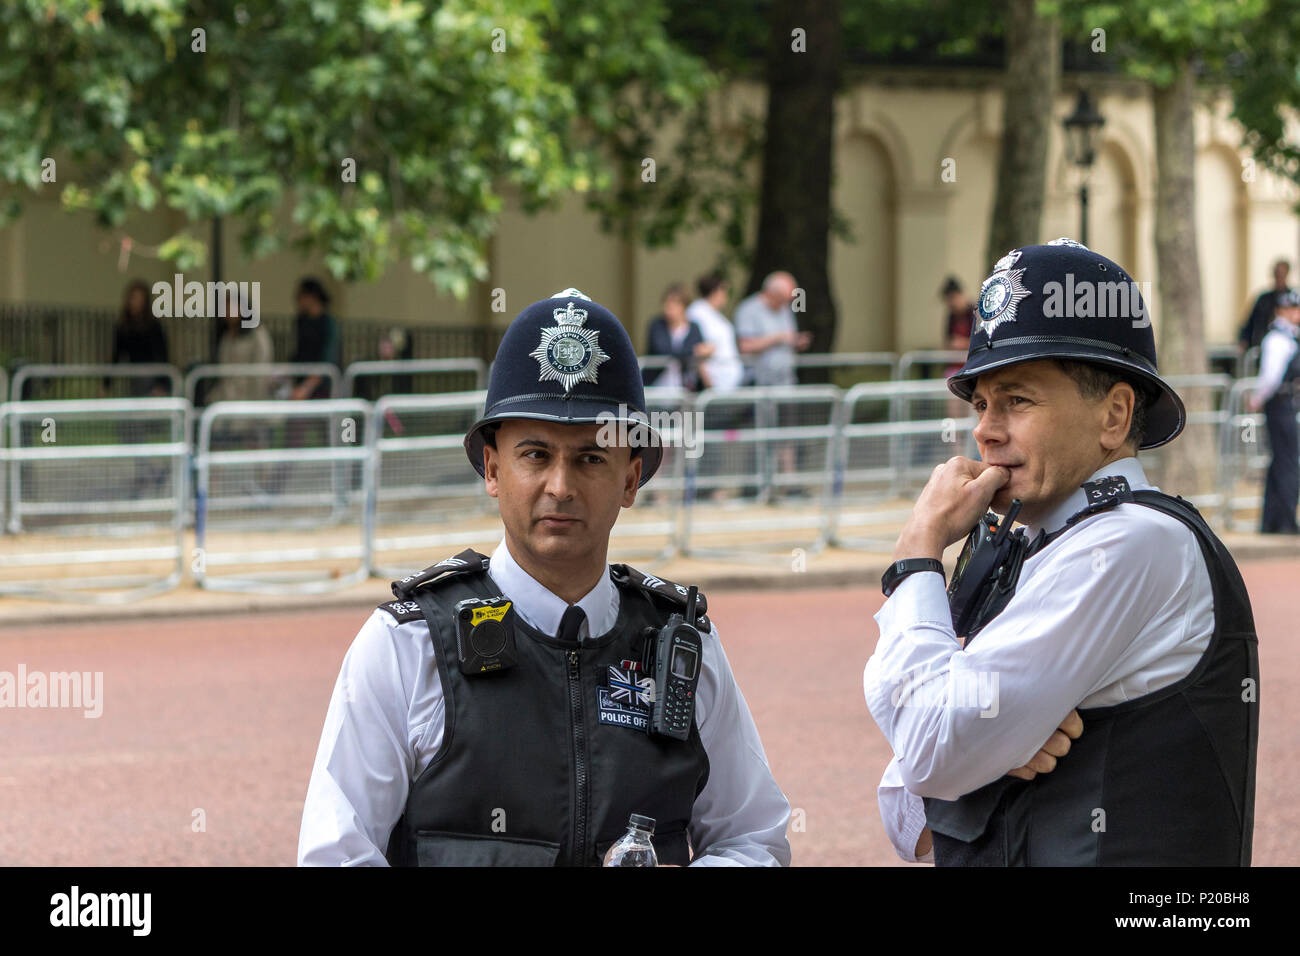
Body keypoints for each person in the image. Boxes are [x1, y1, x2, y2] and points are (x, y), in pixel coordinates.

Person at [298, 287, 792, 866]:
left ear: (631, 480)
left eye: (590, 458)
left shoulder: (682, 648)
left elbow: (752, 838)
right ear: (492, 468)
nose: (560, 485)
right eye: (534, 454)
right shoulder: (408, 644)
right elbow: (336, 854)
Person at [864, 239, 1258, 866]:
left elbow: (929, 750)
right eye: (982, 403)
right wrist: (982, 753)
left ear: (1114, 415)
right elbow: (903, 808)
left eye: (1017, 400)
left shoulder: (1128, 542)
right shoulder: (1039, 544)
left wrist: (916, 557)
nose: (986, 430)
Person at [1248, 289, 1300, 533]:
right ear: (1281, 311)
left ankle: (1274, 520)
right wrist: (1257, 399)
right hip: (1280, 404)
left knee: (1280, 461)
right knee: (1287, 462)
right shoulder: (1279, 339)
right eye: (1291, 309)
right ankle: (1284, 521)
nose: (1296, 314)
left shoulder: (1286, 336)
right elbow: (1271, 377)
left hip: (1282, 403)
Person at [733, 271, 812, 388]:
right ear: (771, 293)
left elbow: (788, 337)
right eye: (782, 299)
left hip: (786, 382)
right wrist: (777, 338)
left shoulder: (785, 309)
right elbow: (745, 346)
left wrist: (796, 341)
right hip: (758, 384)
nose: (785, 303)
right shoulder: (748, 310)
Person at [108, 279, 170, 397]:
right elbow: (116, 354)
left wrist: (161, 384)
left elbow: (162, 355)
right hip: (136, 377)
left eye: (138, 299)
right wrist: (106, 384)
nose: (134, 303)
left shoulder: (153, 326)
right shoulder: (124, 327)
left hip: (152, 375)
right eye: (132, 298)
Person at [643, 282, 710, 391]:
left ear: (683, 307)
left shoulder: (694, 327)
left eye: (673, 305)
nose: (667, 309)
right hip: (658, 386)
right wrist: (694, 351)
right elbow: (662, 350)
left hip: (685, 387)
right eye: (666, 304)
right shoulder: (657, 325)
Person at [686, 272, 744, 393]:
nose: (726, 296)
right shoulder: (697, 312)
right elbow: (698, 348)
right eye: (723, 291)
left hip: (728, 381)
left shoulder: (715, 314)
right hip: (713, 381)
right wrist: (709, 383)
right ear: (714, 292)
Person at [289, 277, 341, 400]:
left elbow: (327, 360)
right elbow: (298, 353)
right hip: (302, 379)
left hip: (322, 387)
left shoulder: (328, 324)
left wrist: (306, 387)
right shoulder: (301, 321)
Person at [1238, 259, 1293, 356]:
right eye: (1277, 274)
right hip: (1262, 347)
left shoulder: (1293, 299)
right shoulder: (1264, 299)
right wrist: (1244, 340)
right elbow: (1250, 322)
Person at [940, 276, 976, 378]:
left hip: (971, 364)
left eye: (953, 298)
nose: (951, 303)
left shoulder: (974, 314)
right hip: (954, 364)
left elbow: (981, 341)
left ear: (960, 295)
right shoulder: (951, 317)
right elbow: (948, 340)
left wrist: (963, 343)